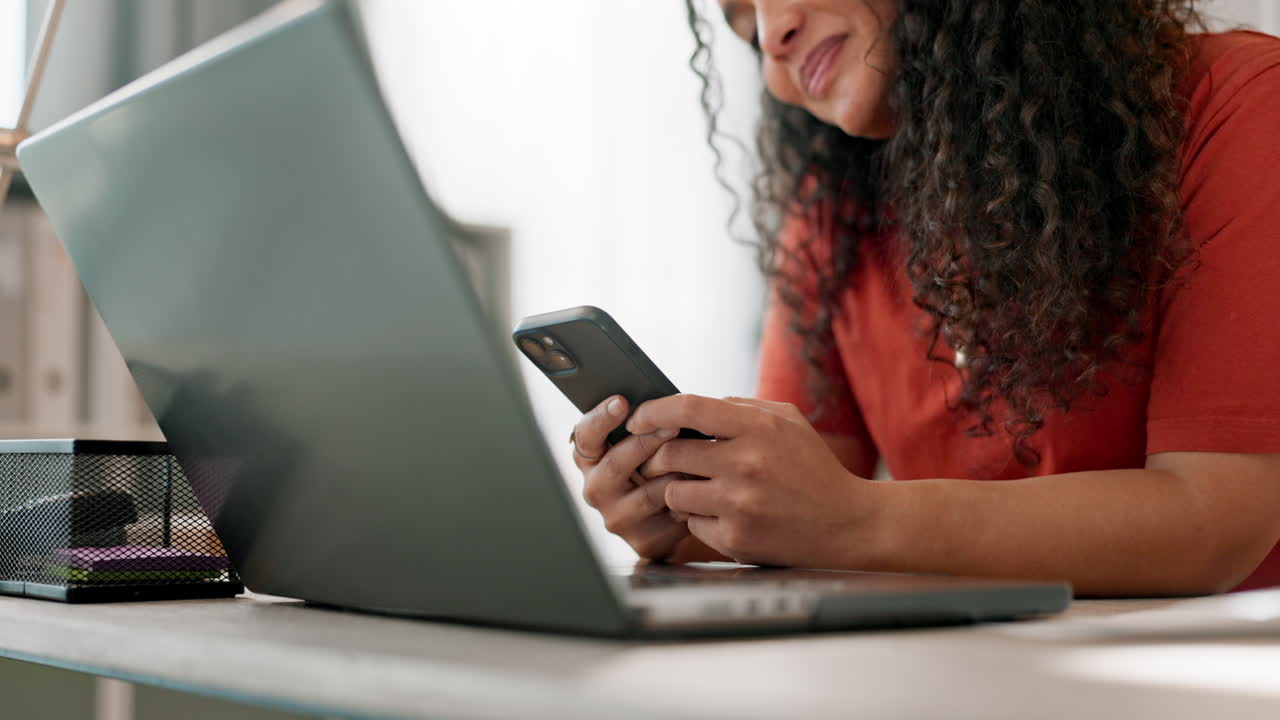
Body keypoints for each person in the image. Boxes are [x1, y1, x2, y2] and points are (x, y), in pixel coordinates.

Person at [571, 0, 1280, 595]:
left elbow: (1216, 518)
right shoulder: (832, 215)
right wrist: (701, 516)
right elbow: (807, 507)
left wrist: (855, 519)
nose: (775, 33)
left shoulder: (1241, 104)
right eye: (746, 27)